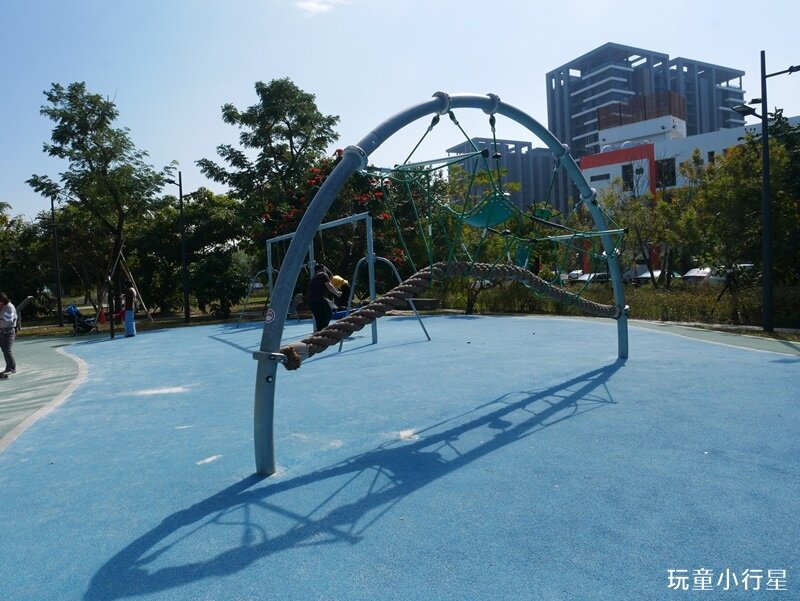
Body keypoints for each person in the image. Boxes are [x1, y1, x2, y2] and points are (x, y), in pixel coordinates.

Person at [306, 264, 341, 332]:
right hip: (318, 299)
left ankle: (319, 333)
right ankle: (323, 331)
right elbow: (329, 285)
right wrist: (337, 293)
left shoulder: (314, 277)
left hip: (310, 300)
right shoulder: (322, 274)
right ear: (322, 269)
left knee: (319, 318)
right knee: (327, 314)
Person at [0, 291, 17, 379]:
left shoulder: (9, 308)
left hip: (8, 332)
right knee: (4, 350)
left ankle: (11, 368)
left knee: (7, 350)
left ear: (2, 300)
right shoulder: (2, 307)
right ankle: (8, 368)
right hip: (1, 332)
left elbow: (6, 322)